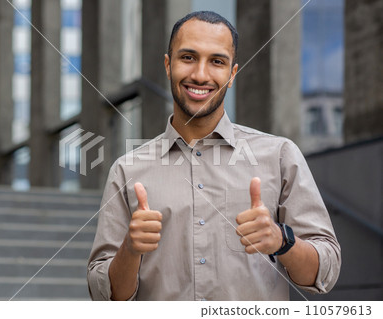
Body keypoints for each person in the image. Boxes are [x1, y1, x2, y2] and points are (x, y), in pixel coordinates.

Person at [87, 11, 341, 301]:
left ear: (232, 74)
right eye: (188, 57)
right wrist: (130, 250)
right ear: (168, 66)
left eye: (217, 62)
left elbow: (326, 271)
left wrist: (282, 241)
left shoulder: (280, 156)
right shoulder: (127, 170)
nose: (200, 75)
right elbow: (102, 293)